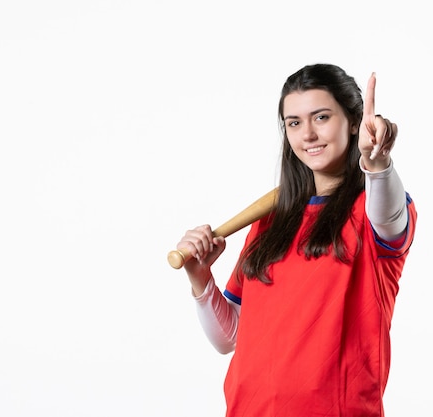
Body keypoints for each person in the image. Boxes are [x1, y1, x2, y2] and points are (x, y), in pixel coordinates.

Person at [174, 63, 417, 417]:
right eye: (294, 122)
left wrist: (376, 162)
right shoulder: (270, 222)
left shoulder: (372, 212)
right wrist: (200, 278)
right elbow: (229, 338)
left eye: (321, 118)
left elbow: (389, 213)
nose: (308, 135)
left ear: (353, 122)